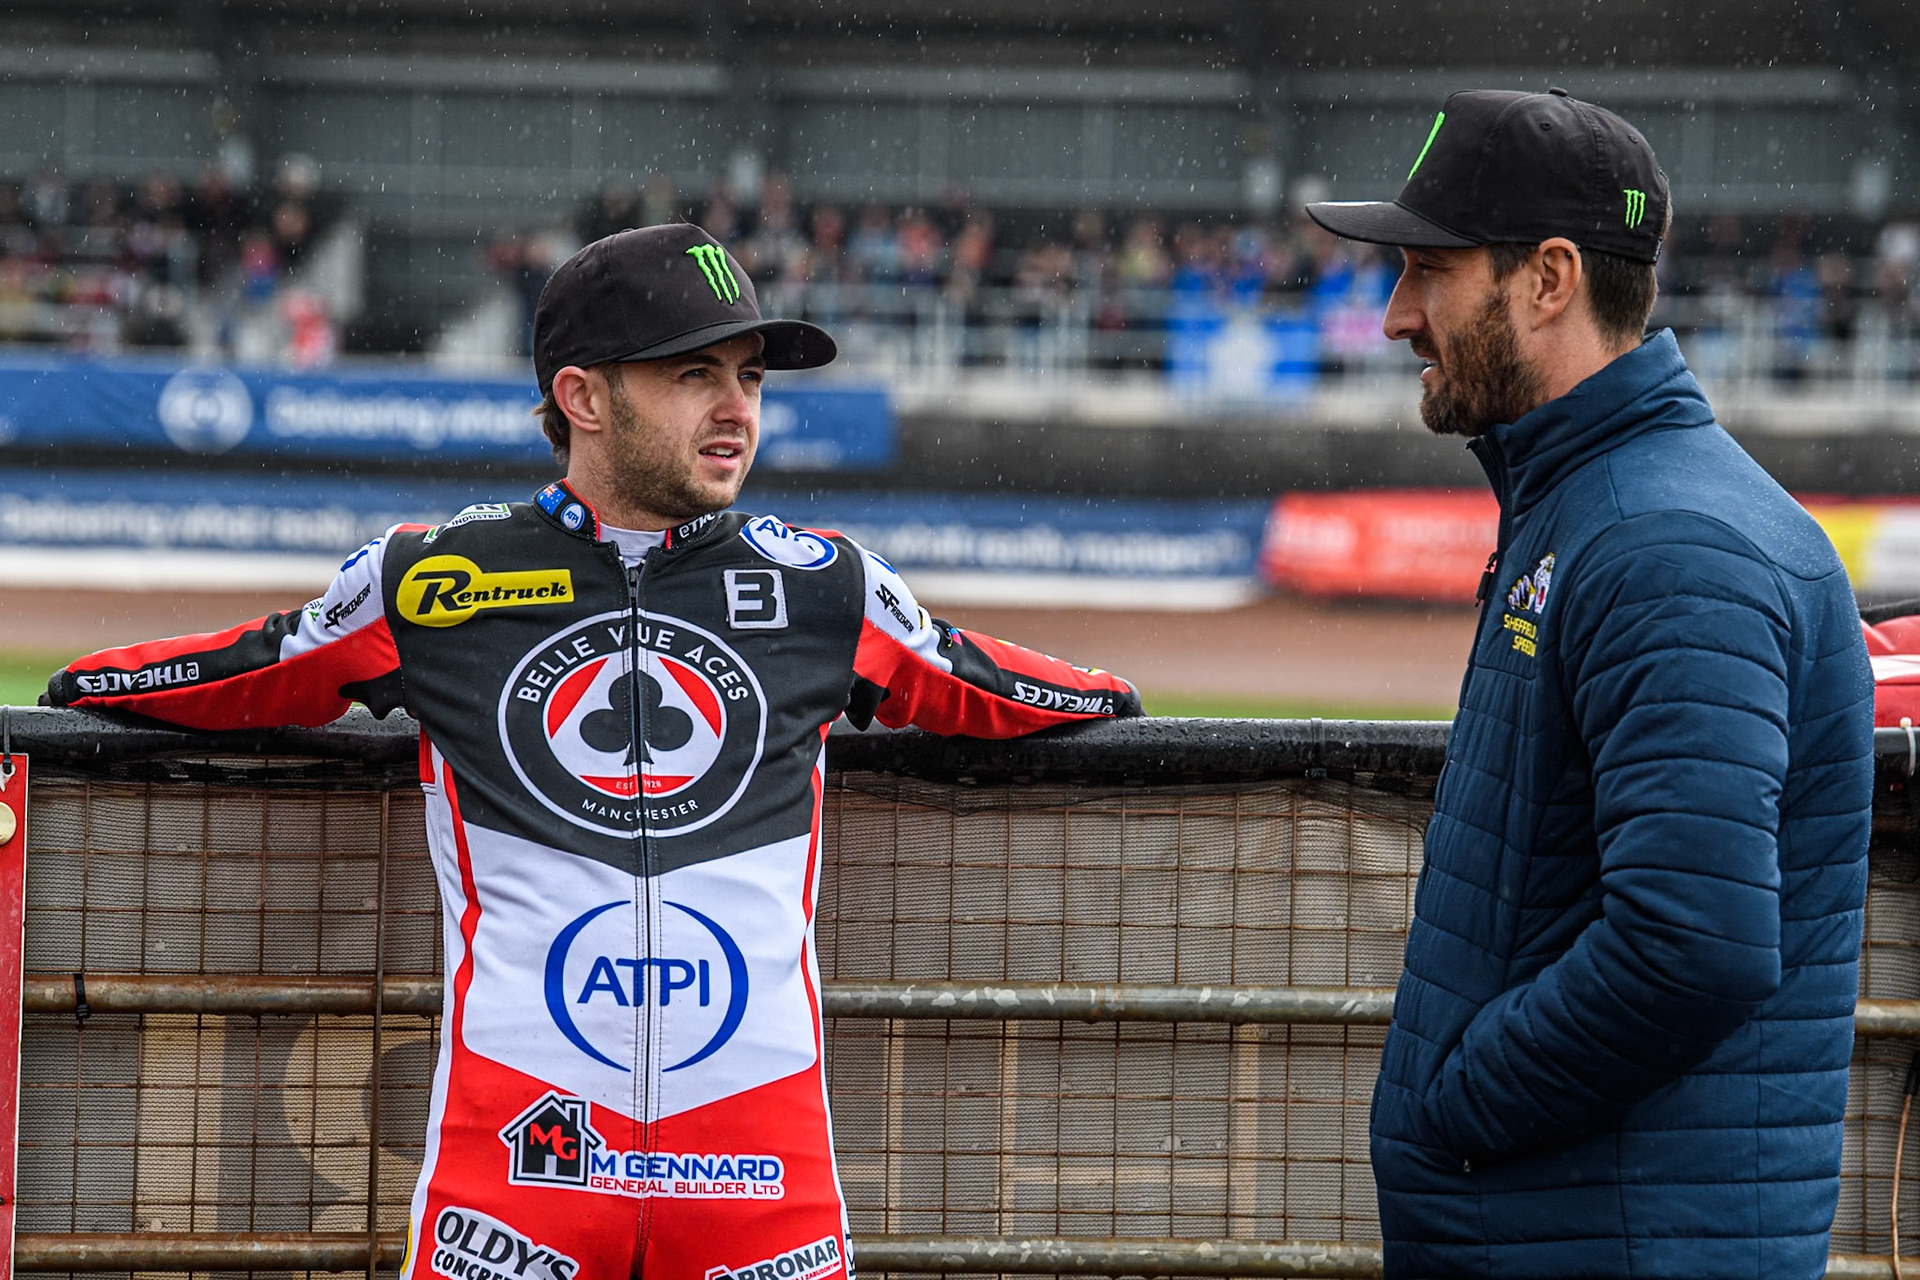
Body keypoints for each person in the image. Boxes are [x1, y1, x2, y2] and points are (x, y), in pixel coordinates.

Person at [45, 222, 1141, 1280]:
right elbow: (259, 668)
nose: (737, 410)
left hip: (760, 1166)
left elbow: (980, 683)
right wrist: (82, 691)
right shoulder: (435, 578)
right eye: (693, 374)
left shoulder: (827, 582)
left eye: (752, 377)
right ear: (582, 396)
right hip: (518, 1152)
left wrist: (1117, 699)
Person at [1306, 90, 1873, 1279]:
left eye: (1428, 270)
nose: (1398, 312)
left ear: (1549, 278)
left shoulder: (1668, 541)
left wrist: (1456, 1106)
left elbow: (1693, 942)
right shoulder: (1596, 505)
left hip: (1612, 1238)